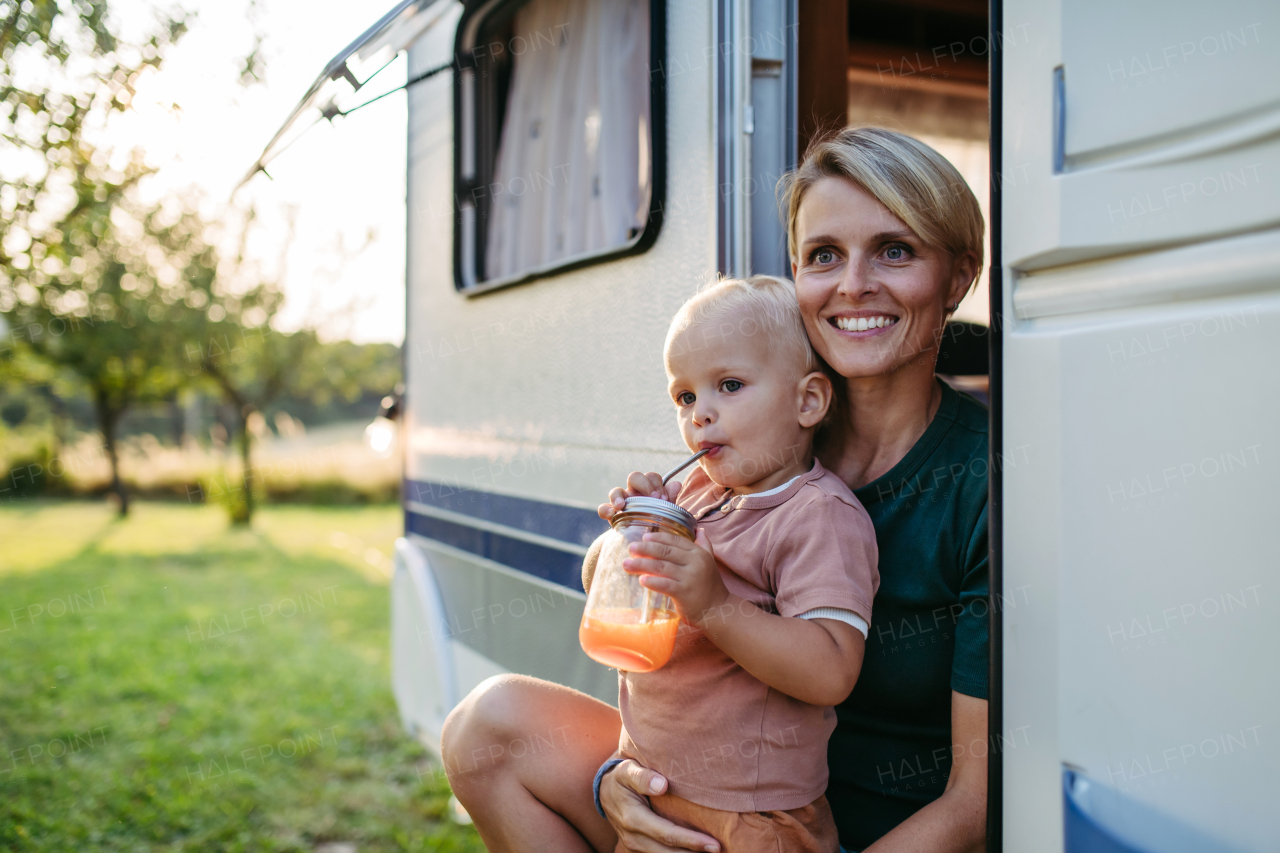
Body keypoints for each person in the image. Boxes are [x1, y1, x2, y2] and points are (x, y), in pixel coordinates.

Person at [441, 126, 989, 853]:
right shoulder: (753, 440)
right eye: (824, 255)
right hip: (697, 792)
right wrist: (615, 777)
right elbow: (667, 654)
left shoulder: (986, 481)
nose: (854, 283)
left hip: (844, 833)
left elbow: (977, 802)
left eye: (895, 249)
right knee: (486, 728)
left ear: (957, 277)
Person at [585, 275, 879, 852]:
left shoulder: (817, 515)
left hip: (754, 819)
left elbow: (831, 671)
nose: (701, 414)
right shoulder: (692, 491)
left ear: (807, 401)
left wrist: (714, 604)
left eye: (729, 385)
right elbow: (596, 583)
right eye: (685, 397)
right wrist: (634, 533)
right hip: (651, 791)